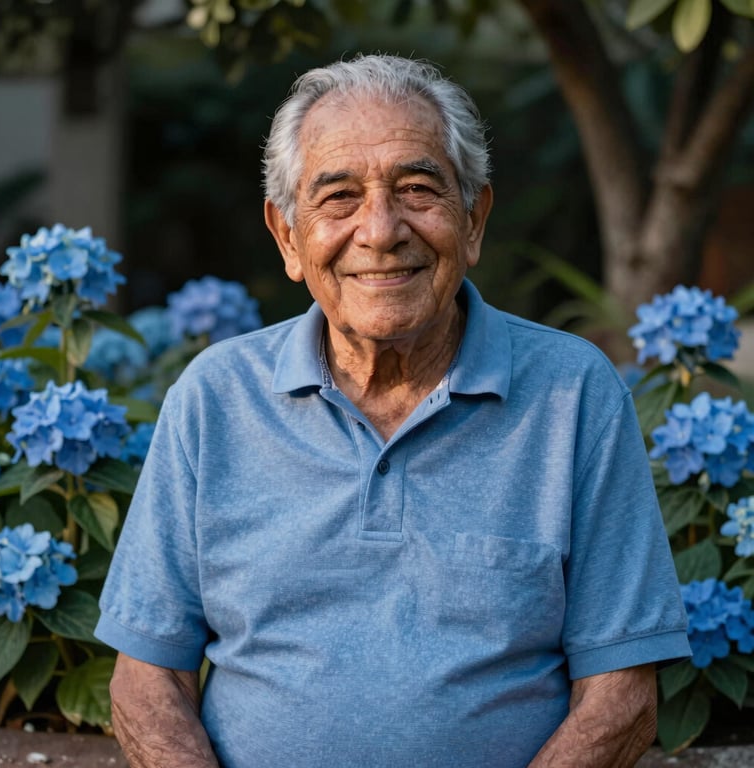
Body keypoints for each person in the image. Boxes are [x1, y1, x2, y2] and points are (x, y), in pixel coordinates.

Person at [94, 54, 690, 768]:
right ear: (288, 236)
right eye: (339, 197)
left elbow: (622, 696)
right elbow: (145, 679)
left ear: (474, 220)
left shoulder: (573, 395)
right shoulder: (214, 397)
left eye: (417, 188)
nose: (380, 230)